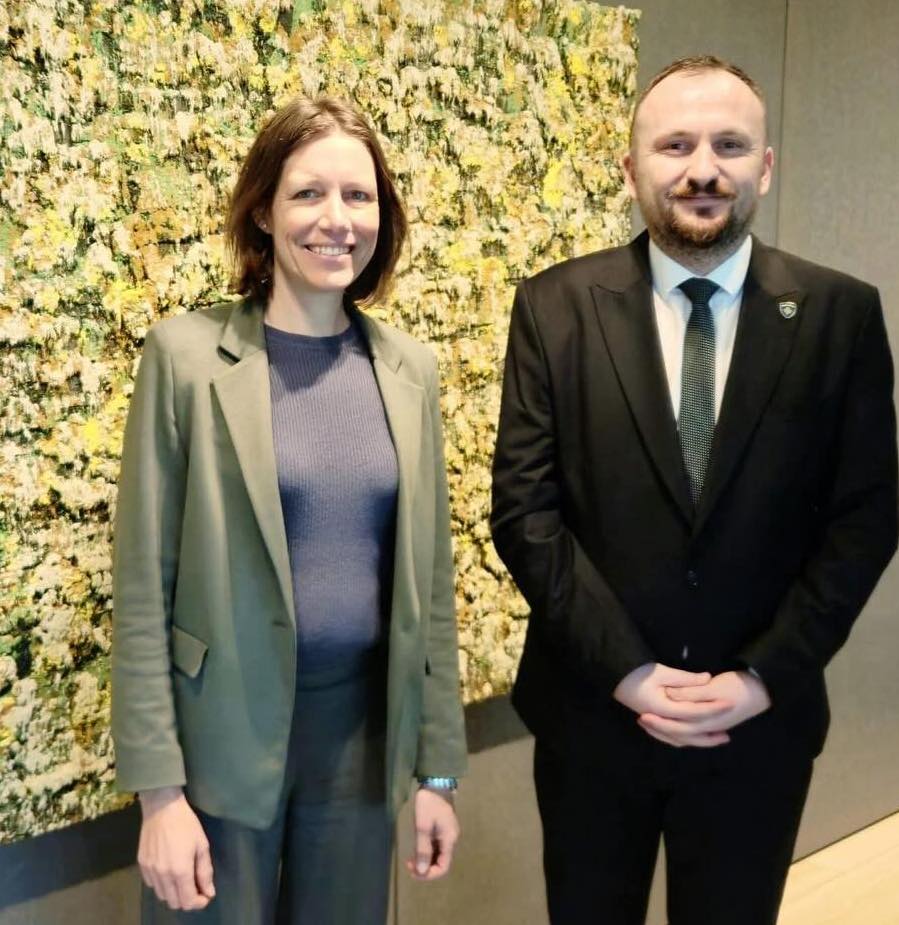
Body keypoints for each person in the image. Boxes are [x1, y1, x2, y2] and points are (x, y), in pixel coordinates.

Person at [491, 55, 897, 925]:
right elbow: (525, 512)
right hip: (593, 719)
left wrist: (761, 676)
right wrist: (629, 672)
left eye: (729, 145)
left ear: (765, 166)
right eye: (674, 145)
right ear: (630, 167)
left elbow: (864, 519)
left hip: (758, 727)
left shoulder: (840, 315)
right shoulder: (554, 308)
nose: (702, 168)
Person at [111, 97, 466, 925]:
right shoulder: (185, 359)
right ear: (264, 211)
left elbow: (432, 590)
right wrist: (158, 794)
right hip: (218, 740)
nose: (336, 219)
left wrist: (438, 771)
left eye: (358, 195)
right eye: (308, 193)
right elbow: (143, 590)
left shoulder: (408, 369)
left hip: (360, 745)